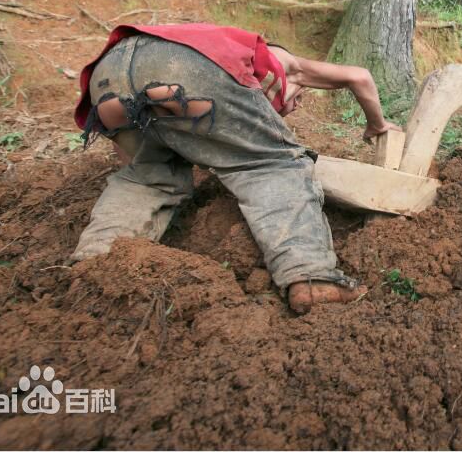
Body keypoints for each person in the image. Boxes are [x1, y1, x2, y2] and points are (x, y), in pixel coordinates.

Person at [69, 23, 399, 314]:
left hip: (108, 75)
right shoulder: (287, 66)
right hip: (185, 67)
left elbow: (132, 158)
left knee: (147, 178)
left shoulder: (233, 54)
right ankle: (311, 276)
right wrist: (377, 125)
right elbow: (360, 76)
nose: (294, 107)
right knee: (273, 163)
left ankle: (96, 264)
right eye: (297, 102)